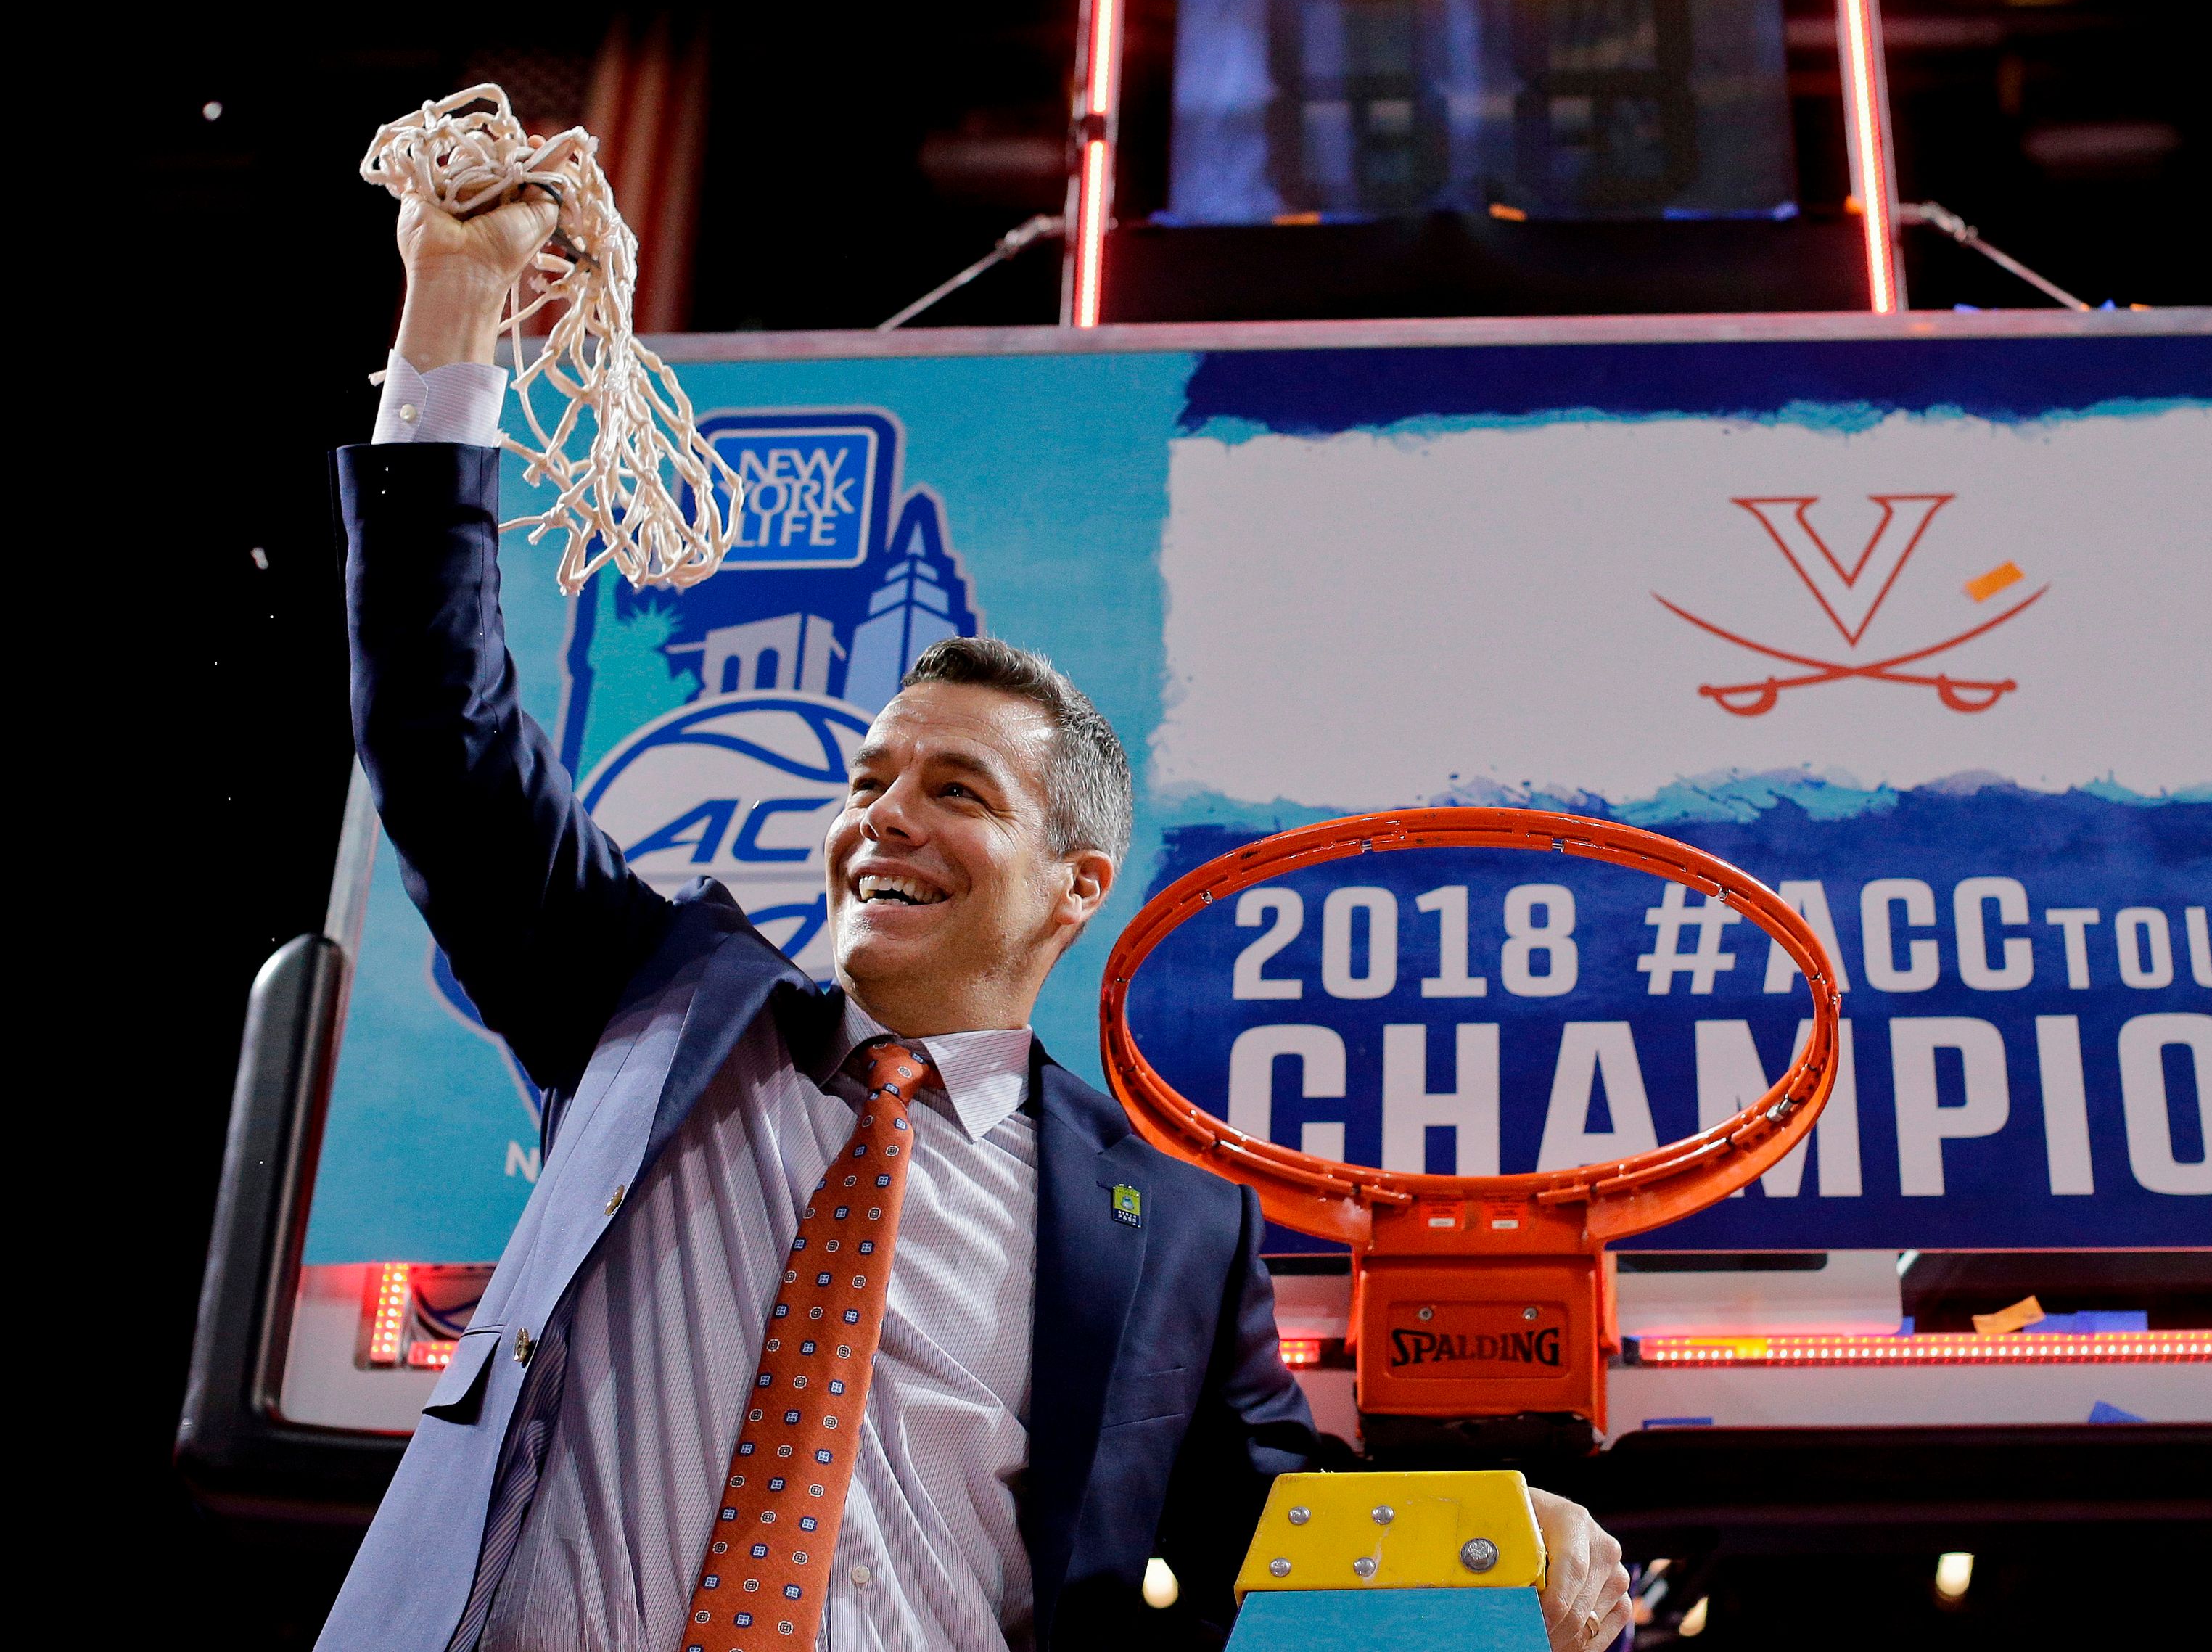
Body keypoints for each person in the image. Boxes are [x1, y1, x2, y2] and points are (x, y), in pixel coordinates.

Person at [313, 189, 1632, 1652]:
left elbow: (1270, 1518)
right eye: (870, 777)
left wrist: (1505, 1527)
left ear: (1075, 882)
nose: (884, 815)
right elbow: (445, 741)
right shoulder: (650, 1010)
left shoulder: (1174, 1230)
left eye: (955, 787)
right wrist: (448, 314)